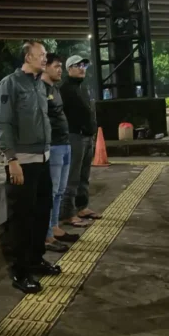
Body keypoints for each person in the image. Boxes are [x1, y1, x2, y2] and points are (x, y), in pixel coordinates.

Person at [0, 40, 61, 295]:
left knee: (41, 213)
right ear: (27, 56)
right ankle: (20, 272)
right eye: (41, 54)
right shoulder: (10, 84)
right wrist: (11, 159)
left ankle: (35, 259)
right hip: (22, 161)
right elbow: (4, 123)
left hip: (42, 158)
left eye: (45, 54)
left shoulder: (39, 84)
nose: (45, 58)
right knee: (21, 219)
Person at [41, 53, 79, 252]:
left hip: (64, 144)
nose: (60, 70)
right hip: (53, 146)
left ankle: (54, 227)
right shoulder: (40, 89)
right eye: (56, 66)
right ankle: (47, 234)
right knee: (52, 191)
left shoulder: (55, 89)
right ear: (45, 66)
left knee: (60, 191)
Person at [60, 55, 102, 228]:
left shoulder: (82, 87)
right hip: (74, 136)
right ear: (69, 68)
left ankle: (82, 207)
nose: (82, 68)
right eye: (78, 66)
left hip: (87, 136)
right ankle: (68, 213)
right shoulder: (64, 89)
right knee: (73, 177)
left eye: (84, 66)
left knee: (84, 176)